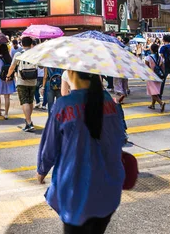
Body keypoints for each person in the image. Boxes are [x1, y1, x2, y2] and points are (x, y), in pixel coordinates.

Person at [37, 70, 125, 234]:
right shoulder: (109, 102)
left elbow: (49, 146)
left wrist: (41, 171)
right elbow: (120, 138)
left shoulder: (64, 104)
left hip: (75, 191)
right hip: (108, 188)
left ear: (71, 73)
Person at [7, 36, 37, 132]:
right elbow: (40, 66)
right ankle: (29, 120)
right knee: (30, 101)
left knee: (24, 101)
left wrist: (8, 76)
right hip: (33, 80)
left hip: (22, 80)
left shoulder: (18, 54)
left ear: (22, 44)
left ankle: (28, 122)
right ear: (31, 44)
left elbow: (12, 67)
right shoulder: (35, 54)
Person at [0, 43, 16, 120]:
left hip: (0, 79)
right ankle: (6, 114)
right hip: (8, 79)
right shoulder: (9, 58)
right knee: (7, 97)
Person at [146, 43, 166, 112]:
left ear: (151, 49)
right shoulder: (160, 58)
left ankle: (161, 103)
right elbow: (163, 67)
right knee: (155, 92)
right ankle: (152, 105)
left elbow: (146, 68)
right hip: (159, 76)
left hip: (151, 76)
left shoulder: (148, 57)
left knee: (152, 92)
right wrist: (163, 75)